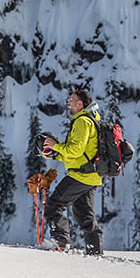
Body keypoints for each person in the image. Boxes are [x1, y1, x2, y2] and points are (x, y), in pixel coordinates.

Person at [41, 89, 104, 255]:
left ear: (80, 104)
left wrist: (56, 146)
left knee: (54, 205)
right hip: (91, 176)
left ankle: (60, 241)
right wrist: (56, 153)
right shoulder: (87, 120)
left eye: (72, 100)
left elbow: (75, 150)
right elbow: (78, 155)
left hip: (80, 176)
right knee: (84, 215)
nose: (68, 102)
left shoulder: (83, 122)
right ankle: (94, 249)